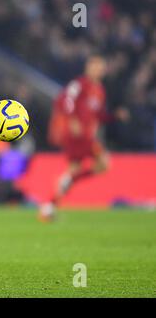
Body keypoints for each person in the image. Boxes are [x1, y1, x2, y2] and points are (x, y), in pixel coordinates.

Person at [41, 55, 129, 222]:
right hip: (76, 134)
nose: (98, 70)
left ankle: (49, 207)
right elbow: (65, 99)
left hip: (85, 135)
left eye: (101, 67)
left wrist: (114, 116)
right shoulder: (80, 84)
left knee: (76, 170)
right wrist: (72, 118)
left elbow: (98, 115)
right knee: (104, 163)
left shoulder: (99, 90)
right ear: (88, 67)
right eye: (95, 66)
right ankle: (66, 183)